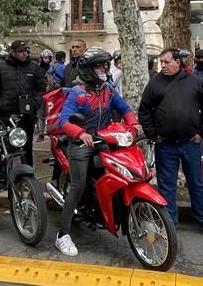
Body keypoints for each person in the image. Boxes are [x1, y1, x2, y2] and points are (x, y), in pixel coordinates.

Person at [54, 49, 141, 257]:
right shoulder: (78, 93)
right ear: (88, 70)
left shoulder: (108, 89)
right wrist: (81, 133)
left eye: (105, 65)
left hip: (105, 140)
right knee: (78, 185)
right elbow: (63, 121)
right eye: (99, 66)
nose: (104, 69)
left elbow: (124, 108)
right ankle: (62, 235)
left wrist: (134, 123)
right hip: (81, 144)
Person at [138, 47, 203, 241]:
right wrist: (153, 134)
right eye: (161, 62)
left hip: (191, 142)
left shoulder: (194, 81)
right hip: (165, 144)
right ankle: (170, 224)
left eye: (166, 62)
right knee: (167, 186)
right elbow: (144, 111)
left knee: (196, 184)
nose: (163, 66)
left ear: (177, 62)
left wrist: (202, 132)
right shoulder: (154, 83)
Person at [0, 40, 46, 167]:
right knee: (5, 148)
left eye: (26, 51)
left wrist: (35, 103)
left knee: (26, 148)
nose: (24, 53)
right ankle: (5, 178)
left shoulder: (34, 67)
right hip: (6, 115)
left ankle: (27, 176)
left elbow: (41, 88)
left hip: (27, 114)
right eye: (21, 51)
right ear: (13, 52)